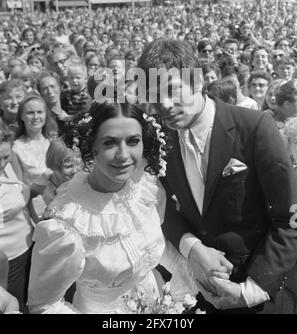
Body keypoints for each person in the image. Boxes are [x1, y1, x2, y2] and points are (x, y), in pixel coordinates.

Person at [138, 39, 297, 314]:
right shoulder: (161, 139)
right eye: (153, 96)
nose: (163, 105)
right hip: (201, 296)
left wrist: (250, 291)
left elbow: (289, 219)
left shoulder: (255, 126)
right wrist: (192, 247)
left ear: (197, 80)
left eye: (172, 90)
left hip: (263, 296)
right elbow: (163, 206)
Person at [27, 101, 197, 314]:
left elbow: (153, 246)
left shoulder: (145, 189)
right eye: (110, 143)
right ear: (92, 147)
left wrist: (180, 292)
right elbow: (45, 305)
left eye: (133, 141)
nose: (123, 155)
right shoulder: (66, 224)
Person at [0, 129, 34, 312]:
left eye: (6, 157)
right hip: (7, 264)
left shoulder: (9, 167)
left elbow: (23, 191)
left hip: (28, 250)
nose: (2, 164)